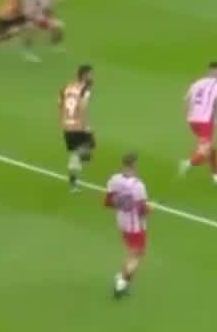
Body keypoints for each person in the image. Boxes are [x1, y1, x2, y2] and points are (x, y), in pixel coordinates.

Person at [103, 152, 150, 298]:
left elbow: (107, 202)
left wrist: (121, 203)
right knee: (136, 254)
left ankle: (121, 275)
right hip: (135, 225)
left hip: (121, 221)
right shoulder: (138, 185)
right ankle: (121, 283)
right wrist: (149, 210)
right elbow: (142, 210)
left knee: (133, 251)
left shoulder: (114, 179)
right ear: (135, 164)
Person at [180, 61, 217, 185]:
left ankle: (216, 176)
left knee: (212, 147)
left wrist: (188, 117)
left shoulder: (197, 83)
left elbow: (187, 100)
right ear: (214, 71)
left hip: (193, 121)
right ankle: (187, 164)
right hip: (206, 122)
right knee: (204, 151)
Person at [60, 63, 95, 191]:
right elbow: (82, 107)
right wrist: (84, 125)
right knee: (87, 147)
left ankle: (76, 164)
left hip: (67, 124)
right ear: (84, 75)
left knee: (86, 147)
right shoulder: (85, 89)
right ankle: (73, 173)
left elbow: (60, 103)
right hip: (78, 125)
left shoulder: (68, 87)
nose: (92, 77)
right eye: (90, 74)